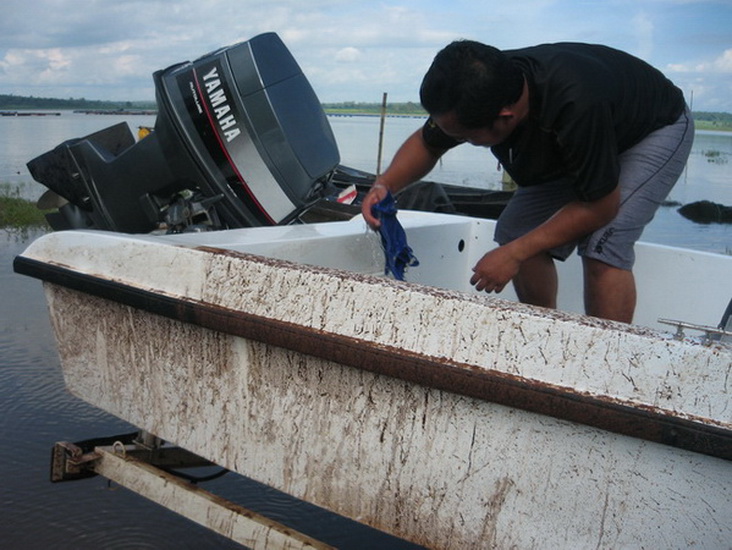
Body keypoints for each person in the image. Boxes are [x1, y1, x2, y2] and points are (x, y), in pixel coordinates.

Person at [361, 40, 693, 323]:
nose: (450, 138)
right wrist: (385, 184)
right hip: (577, 141)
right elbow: (427, 142)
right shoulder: (478, 89)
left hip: (651, 129)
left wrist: (515, 254)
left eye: (462, 137)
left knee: (604, 244)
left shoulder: (576, 102)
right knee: (514, 230)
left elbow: (600, 207)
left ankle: (609, 363)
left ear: (505, 119)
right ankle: (545, 329)